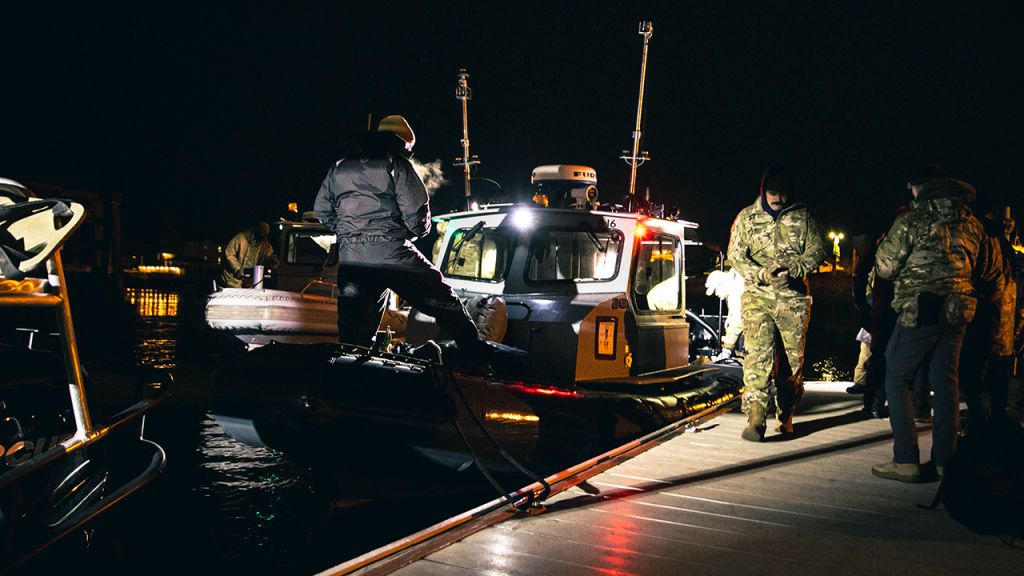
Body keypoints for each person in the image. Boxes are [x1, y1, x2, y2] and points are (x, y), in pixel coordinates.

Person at [313, 115, 484, 355]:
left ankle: (352, 371)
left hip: (352, 260)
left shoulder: (340, 166)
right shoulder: (396, 164)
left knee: (354, 329)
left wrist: (349, 233)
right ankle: (474, 350)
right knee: (442, 298)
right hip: (393, 253)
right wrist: (409, 234)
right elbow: (417, 213)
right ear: (403, 142)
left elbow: (322, 209)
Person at [871, 169, 988, 483]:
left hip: (921, 308)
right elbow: (984, 267)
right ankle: (944, 460)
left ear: (921, 190)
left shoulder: (913, 221)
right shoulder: (973, 224)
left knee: (896, 376)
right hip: (958, 309)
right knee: (947, 382)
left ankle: (906, 459)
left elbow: (884, 267)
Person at [727, 164, 826, 441]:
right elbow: (735, 255)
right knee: (757, 356)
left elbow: (818, 250)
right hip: (757, 297)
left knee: (791, 363)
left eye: (782, 192)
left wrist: (793, 270)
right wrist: (760, 274)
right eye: (772, 191)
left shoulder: (804, 217)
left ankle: (786, 414)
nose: (777, 197)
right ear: (763, 190)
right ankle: (756, 416)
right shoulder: (747, 218)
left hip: (793, 301)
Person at [960, 206, 1017, 428]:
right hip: (1005, 325)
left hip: (985, 321)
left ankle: (981, 421)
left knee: (974, 375)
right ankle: (996, 419)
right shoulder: (1008, 248)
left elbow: (978, 278)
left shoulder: (988, 244)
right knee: (998, 375)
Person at [218, 221, 278, 288]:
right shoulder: (240, 238)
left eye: (263, 236)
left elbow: (269, 255)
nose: (260, 238)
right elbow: (229, 254)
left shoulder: (264, 244)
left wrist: (273, 259)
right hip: (231, 280)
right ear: (255, 232)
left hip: (247, 282)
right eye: (259, 235)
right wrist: (238, 269)